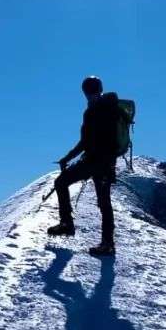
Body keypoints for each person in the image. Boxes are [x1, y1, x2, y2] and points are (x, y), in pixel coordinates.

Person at [48, 75, 121, 257]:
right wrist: (69, 157)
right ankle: (107, 243)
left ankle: (68, 225)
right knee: (104, 203)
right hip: (103, 163)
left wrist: (68, 158)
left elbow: (85, 141)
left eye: (90, 91)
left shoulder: (96, 111)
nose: (90, 95)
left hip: (96, 162)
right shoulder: (109, 108)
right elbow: (90, 141)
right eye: (89, 92)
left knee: (61, 182)